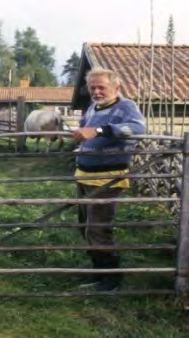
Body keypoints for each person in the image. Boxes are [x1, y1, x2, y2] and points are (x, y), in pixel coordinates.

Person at [71, 67, 146, 291]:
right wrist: (79, 135)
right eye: (92, 87)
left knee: (98, 227)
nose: (96, 91)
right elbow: (86, 128)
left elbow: (137, 128)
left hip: (108, 178)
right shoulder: (93, 108)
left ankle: (111, 277)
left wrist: (100, 131)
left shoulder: (126, 106)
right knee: (85, 225)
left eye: (101, 87)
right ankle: (98, 271)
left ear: (116, 87)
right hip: (84, 175)